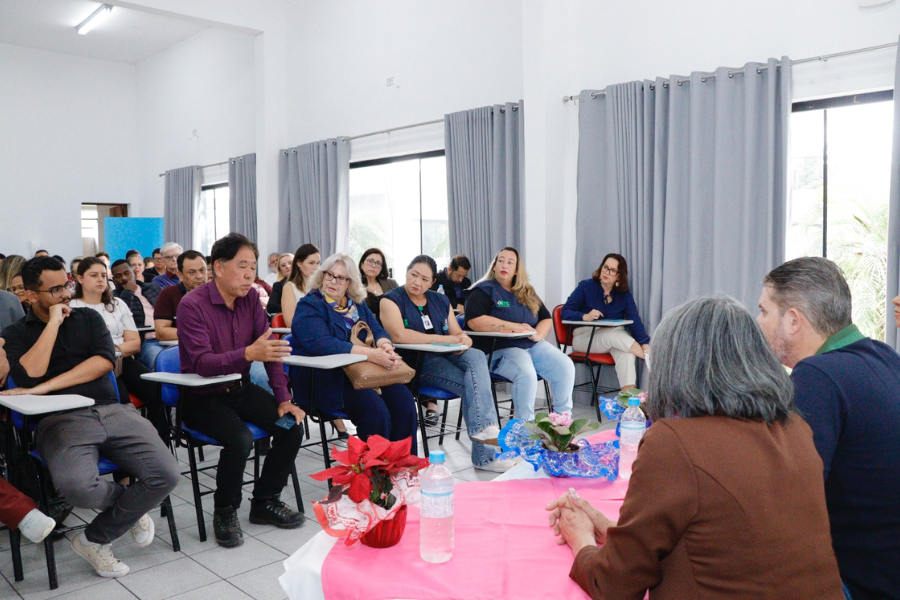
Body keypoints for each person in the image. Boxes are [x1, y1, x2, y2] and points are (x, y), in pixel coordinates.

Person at [548, 295, 844, 599]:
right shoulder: (795, 428)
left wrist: (581, 540)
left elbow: (615, 586)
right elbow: (725, 539)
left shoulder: (675, 443)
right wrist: (614, 531)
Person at [0, 256, 179, 579]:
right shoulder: (16, 333)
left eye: (66, 285)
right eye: (54, 290)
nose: (65, 295)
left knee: (166, 474)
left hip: (112, 409)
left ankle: (93, 539)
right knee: (76, 488)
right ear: (29, 295)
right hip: (58, 420)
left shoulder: (87, 318)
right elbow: (29, 375)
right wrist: (52, 324)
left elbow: (103, 363)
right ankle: (130, 508)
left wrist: (45, 387)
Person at [757, 257, 900, 599]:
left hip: (856, 582)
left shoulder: (818, 377)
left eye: (763, 311)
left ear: (793, 321)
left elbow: (781, 498)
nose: (758, 322)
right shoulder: (885, 357)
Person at [177, 233, 305, 548]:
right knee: (240, 439)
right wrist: (247, 354)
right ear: (218, 267)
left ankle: (264, 501)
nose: (250, 274)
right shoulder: (192, 304)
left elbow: (270, 352)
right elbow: (202, 363)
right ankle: (225, 510)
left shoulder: (250, 300)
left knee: (291, 426)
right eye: (242, 266)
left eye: (253, 267)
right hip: (202, 397)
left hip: (241, 390)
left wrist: (284, 400)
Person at [381, 255, 512, 472]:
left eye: (424, 279)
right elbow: (399, 335)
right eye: (414, 275)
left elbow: (457, 332)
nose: (417, 282)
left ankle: (487, 429)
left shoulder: (440, 300)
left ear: (432, 282)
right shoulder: (391, 300)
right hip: (418, 362)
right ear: (406, 272)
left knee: (477, 355)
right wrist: (447, 340)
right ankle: (486, 455)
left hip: (447, 356)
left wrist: (464, 340)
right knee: (474, 386)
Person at [290, 253, 418, 452]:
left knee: (404, 402)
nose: (333, 281)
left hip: (362, 373)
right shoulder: (310, 305)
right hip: (324, 379)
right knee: (376, 411)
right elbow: (321, 344)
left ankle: (402, 471)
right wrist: (370, 354)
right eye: (329, 275)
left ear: (350, 283)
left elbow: (377, 330)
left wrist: (385, 345)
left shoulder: (356, 304)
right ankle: (375, 476)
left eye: (341, 278)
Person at [465, 247, 574, 422]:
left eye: (510, 262)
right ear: (494, 266)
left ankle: (562, 423)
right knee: (527, 374)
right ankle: (524, 428)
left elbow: (545, 318)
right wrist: (514, 327)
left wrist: (538, 335)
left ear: (516, 269)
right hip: (499, 349)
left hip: (531, 345)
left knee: (565, 366)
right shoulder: (482, 290)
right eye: (500, 260)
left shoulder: (526, 291)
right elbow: (474, 321)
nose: (504, 265)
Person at [69, 258, 165, 440]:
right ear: (80, 278)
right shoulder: (71, 307)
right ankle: (129, 453)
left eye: (104, 276)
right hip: (94, 366)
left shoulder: (117, 304)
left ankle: (158, 442)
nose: (100, 280)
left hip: (123, 359)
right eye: (94, 275)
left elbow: (135, 343)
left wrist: (111, 349)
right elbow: (78, 348)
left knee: (155, 390)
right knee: (120, 400)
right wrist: (109, 351)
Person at [562, 253, 650, 391]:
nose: (607, 272)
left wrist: (644, 343)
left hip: (614, 338)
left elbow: (635, 320)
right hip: (585, 338)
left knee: (626, 354)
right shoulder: (586, 287)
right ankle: (654, 362)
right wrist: (585, 316)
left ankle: (627, 402)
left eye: (612, 270)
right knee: (613, 336)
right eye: (605, 267)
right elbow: (565, 311)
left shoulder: (623, 294)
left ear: (619, 276)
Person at [110, 259, 163, 369]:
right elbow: (119, 317)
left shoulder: (153, 288)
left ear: (134, 273)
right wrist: (128, 292)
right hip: (146, 341)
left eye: (127, 273)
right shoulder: (113, 298)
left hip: (166, 336)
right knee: (158, 359)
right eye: (118, 276)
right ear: (114, 280)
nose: (123, 278)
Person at [153, 250, 208, 341]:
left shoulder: (218, 293)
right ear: (180, 275)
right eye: (192, 272)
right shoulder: (169, 293)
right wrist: (198, 334)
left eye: (202, 271)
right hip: (177, 344)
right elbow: (161, 332)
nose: (199, 276)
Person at [280, 244, 320, 326]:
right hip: (302, 333)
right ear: (299, 263)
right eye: (311, 263)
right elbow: (290, 322)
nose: (316, 267)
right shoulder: (289, 287)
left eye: (318, 263)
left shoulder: (321, 287)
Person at [359, 248, 398, 322]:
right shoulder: (354, 286)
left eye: (378, 263)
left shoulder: (392, 284)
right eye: (370, 261)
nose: (373, 265)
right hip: (368, 329)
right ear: (362, 264)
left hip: (394, 327)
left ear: (381, 268)